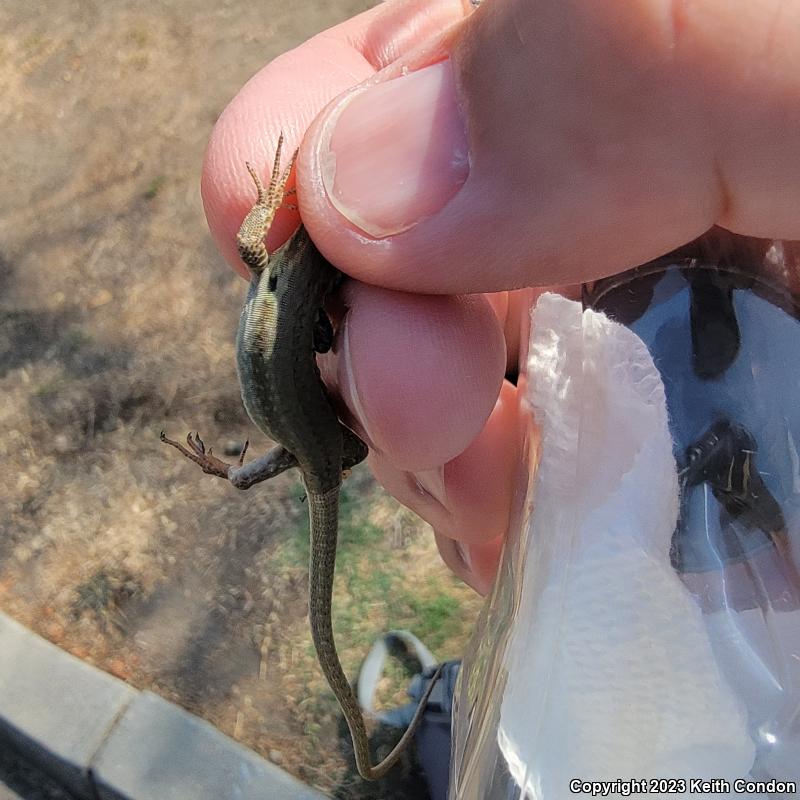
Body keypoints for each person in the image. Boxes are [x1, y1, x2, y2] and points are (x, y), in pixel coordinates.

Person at [200, 0, 800, 597]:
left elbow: (266, 258)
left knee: (390, 434)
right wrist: (281, 196)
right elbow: (277, 269)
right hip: (301, 390)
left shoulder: (283, 276)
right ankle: (244, 471)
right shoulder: (295, 270)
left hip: (304, 400)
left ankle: (238, 472)